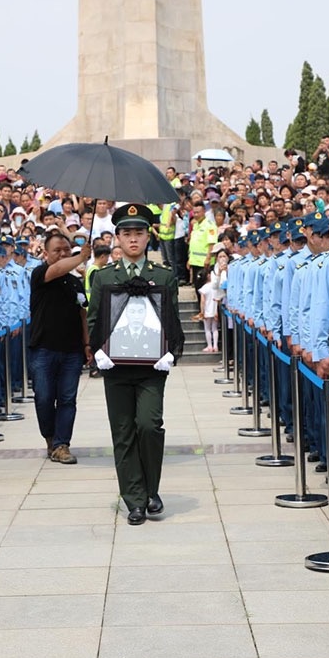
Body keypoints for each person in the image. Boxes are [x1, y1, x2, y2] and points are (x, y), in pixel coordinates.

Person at [87, 203, 184, 526]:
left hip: (150, 368)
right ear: (117, 237)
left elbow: (171, 319)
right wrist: (96, 349)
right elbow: (94, 320)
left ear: (148, 237)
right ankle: (135, 499)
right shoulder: (103, 278)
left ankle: (151, 489)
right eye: (126, 233)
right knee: (123, 431)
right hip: (116, 368)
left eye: (139, 233)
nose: (133, 239)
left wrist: (172, 350)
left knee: (149, 425)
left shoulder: (163, 276)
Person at [29, 232, 91, 463]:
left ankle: (62, 444)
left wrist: (86, 343)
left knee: (67, 399)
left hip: (72, 350)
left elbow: (82, 312)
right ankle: (50, 437)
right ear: (46, 253)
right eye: (58, 250)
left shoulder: (75, 281)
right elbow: (56, 269)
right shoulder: (40, 273)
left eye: (67, 249)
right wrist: (80, 257)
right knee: (44, 397)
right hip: (44, 348)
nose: (64, 253)